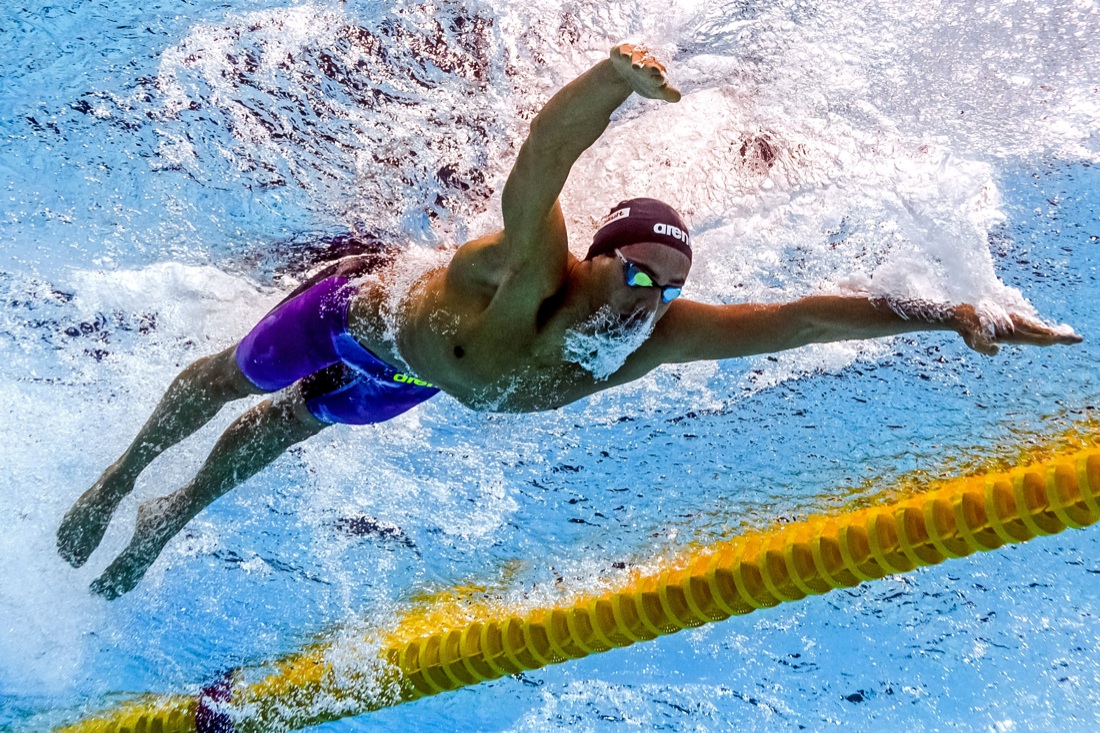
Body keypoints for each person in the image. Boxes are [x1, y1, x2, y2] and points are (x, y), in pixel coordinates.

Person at [56, 44, 1082, 599]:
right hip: (356, 317)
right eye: (638, 276)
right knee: (232, 380)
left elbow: (804, 319)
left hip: (411, 379)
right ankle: (118, 477)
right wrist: (611, 83)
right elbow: (544, 159)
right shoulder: (528, 267)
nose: (650, 301)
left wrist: (951, 314)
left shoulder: (653, 341)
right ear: (594, 261)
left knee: (280, 433)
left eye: (667, 288)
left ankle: (166, 521)